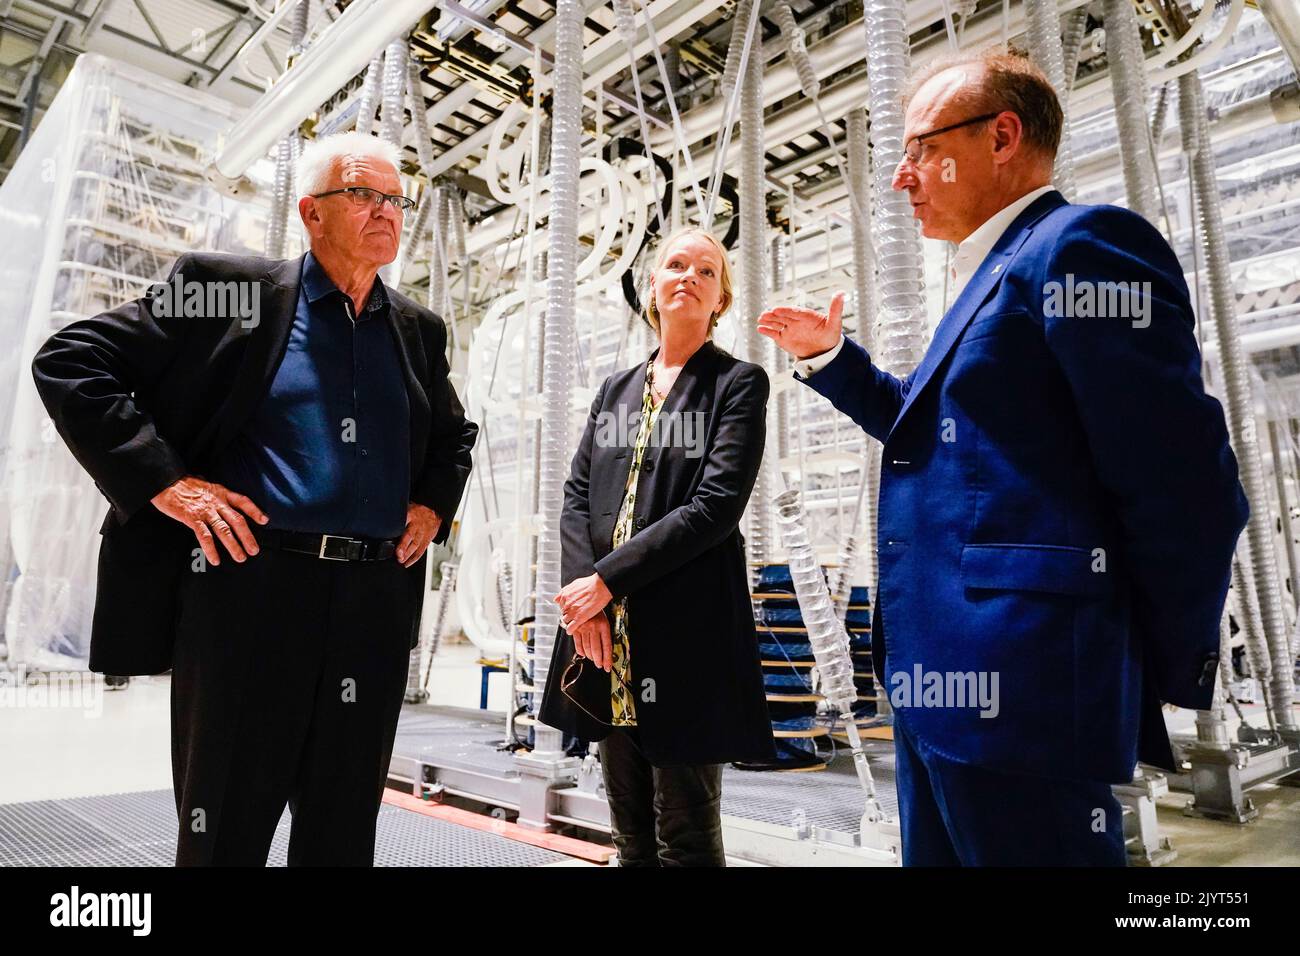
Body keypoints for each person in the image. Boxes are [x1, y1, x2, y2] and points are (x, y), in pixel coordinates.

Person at [761, 48, 1247, 866]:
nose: (901, 178)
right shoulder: (991, 274)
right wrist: (833, 356)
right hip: (939, 689)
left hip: (1022, 691)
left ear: (1001, 136)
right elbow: (927, 429)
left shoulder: (1078, 248)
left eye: (920, 149)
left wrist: (1134, 656)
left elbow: (1189, 484)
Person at [31, 131, 478, 865]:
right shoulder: (229, 290)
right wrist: (166, 484)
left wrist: (432, 503)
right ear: (312, 212)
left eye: (396, 200)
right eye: (363, 195)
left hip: (373, 601)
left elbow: (453, 436)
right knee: (224, 825)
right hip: (252, 593)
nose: (385, 212)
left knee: (341, 831)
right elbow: (72, 362)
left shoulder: (416, 330)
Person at [538, 227, 775, 865]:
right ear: (652, 285)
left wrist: (607, 581)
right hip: (608, 631)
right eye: (676, 264)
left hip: (685, 631)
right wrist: (585, 601)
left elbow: (716, 506)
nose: (689, 276)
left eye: (707, 270)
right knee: (629, 831)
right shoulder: (615, 390)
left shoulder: (737, 384)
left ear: (720, 297)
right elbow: (576, 496)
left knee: (687, 834)